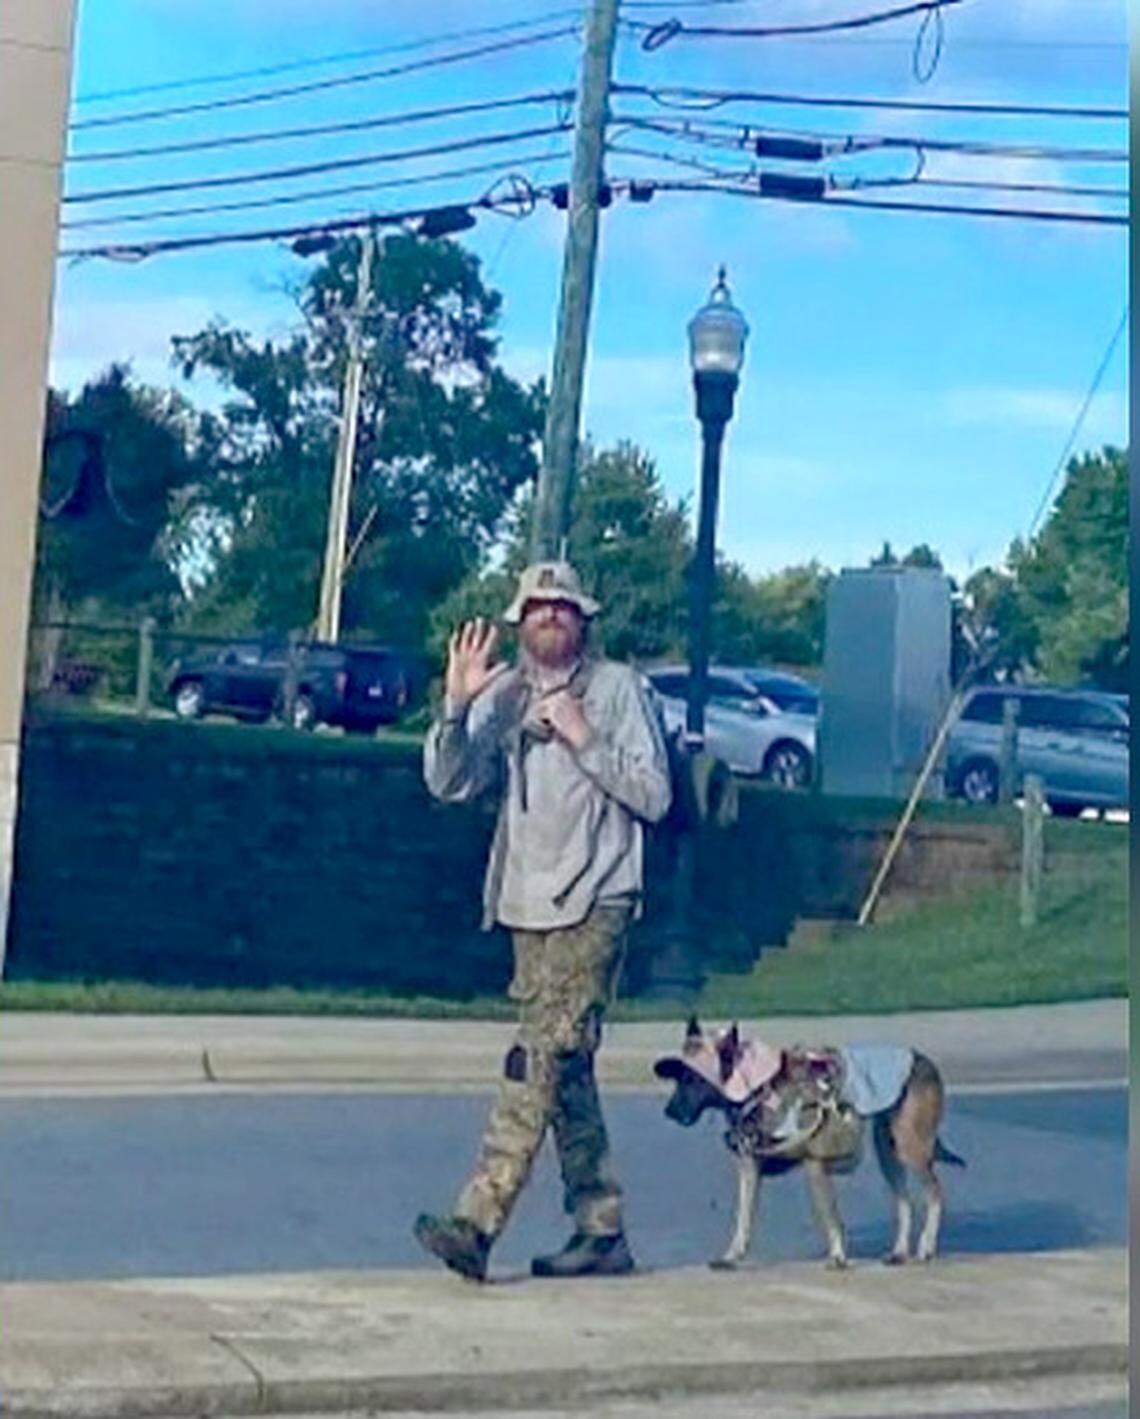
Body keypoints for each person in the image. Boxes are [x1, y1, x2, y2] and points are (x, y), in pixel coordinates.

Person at [414, 561, 672, 1281]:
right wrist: (456, 709)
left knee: (538, 1057)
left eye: (564, 606)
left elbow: (655, 796)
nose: (550, 616)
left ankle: (477, 1219)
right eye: (537, 607)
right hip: (526, 901)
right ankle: (602, 1225)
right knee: (568, 1066)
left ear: (585, 619)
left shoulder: (618, 690)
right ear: (518, 621)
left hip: (599, 896)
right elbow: (448, 782)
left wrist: (584, 736)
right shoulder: (505, 694)